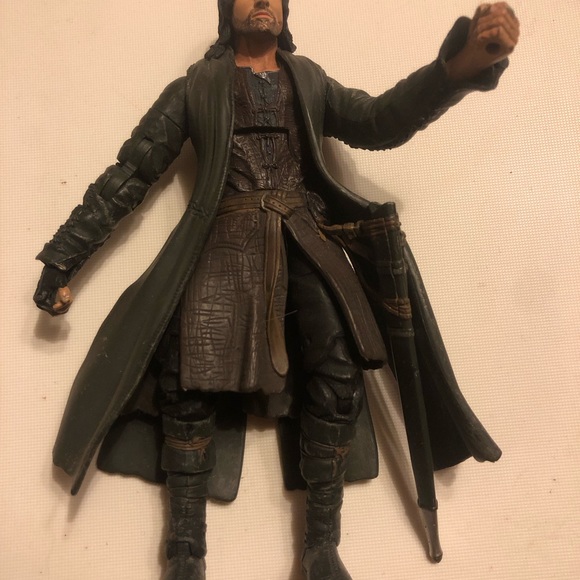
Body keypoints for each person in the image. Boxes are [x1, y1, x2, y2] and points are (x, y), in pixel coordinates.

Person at [34, 1, 519, 579]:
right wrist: (63, 257)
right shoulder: (196, 87)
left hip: (303, 235)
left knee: (340, 372)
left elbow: (378, 121)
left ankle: (321, 546)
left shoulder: (309, 80)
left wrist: (457, 68)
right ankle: (185, 550)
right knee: (185, 378)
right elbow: (130, 174)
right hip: (221, 238)